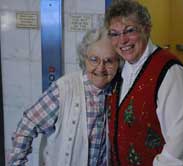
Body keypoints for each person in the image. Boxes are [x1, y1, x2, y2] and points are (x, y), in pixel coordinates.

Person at [104, 1, 183, 166]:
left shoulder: (170, 73)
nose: (122, 40)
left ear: (146, 29)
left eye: (130, 30)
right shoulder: (121, 68)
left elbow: (178, 146)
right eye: (114, 34)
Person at [8, 27, 120, 166]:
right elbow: (28, 125)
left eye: (109, 61)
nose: (100, 68)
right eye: (94, 59)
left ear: (118, 63)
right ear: (84, 59)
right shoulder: (64, 89)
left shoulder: (119, 90)